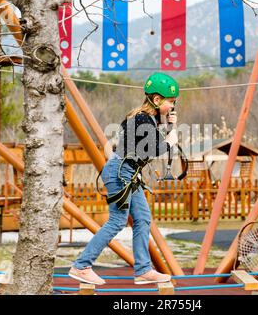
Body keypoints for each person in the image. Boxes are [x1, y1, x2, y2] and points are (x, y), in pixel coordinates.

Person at [68, 72, 180, 285]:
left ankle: (143, 270)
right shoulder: (142, 118)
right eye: (170, 102)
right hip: (121, 172)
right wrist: (170, 140)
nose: (172, 107)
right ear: (156, 100)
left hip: (127, 173)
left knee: (143, 217)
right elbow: (155, 148)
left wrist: (167, 126)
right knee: (117, 220)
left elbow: (139, 142)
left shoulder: (143, 118)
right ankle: (81, 265)